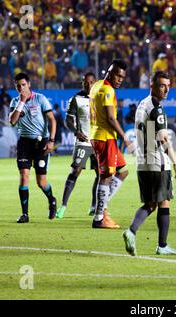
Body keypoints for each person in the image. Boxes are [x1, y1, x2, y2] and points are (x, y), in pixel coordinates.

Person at [123, 71, 176, 256]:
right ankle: (162, 245)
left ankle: (131, 231)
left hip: (142, 163)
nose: (166, 89)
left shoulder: (142, 104)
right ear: (152, 86)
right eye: (162, 85)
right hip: (157, 162)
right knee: (164, 202)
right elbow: (164, 139)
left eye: (168, 85)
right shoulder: (157, 109)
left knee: (150, 204)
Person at [89, 59, 132, 229]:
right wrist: (125, 138)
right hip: (105, 137)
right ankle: (99, 217)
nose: (120, 79)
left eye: (122, 77)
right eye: (117, 76)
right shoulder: (107, 90)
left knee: (123, 171)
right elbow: (111, 118)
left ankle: (102, 208)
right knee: (106, 177)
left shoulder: (97, 85)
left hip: (98, 135)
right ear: (109, 72)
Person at [9, 72, 57, 223]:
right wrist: (21, 102)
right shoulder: (15, 101)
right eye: (18, 85)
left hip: (41, 143)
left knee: (41, 182)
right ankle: (25, 214)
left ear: (29, 84)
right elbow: (12, 121)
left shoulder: (40, 99)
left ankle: (52, 200)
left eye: (23, 84)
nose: (21, 88)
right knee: (24, 176)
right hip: (24, 143)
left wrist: (51, 141)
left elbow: (52, 120)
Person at [56, 72, 98, 219]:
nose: (89, 85)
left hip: (98, 142)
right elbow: (68, 121)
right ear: (82, 83)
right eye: (86, 82)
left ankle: (94, 206)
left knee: (100, 174)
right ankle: (63, 205)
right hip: (83, 141)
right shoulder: (76, 99)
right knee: (76, 171)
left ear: (95, 83)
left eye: (91, 82)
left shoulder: (99, 98)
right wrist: (76, 131)